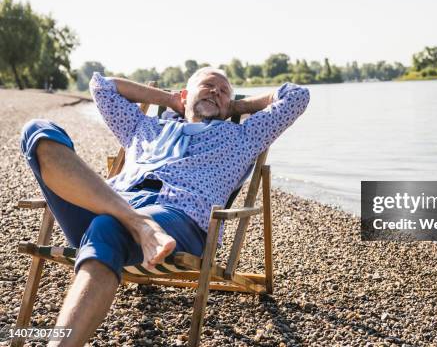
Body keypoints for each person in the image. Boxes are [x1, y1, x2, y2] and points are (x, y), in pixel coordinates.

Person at [19, 67, 310, 346]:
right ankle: (136, 222)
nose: (216, 92)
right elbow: (102, 86)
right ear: (185, 95)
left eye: (224, 91)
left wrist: (236, 106)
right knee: (38, 131)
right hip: (108, 207)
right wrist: (168, 100)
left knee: (107, 226)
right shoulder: (143, 128)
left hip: (177, 217)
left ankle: (131, 222)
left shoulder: (242, 138)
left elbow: (297, 96)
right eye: (208, 85)